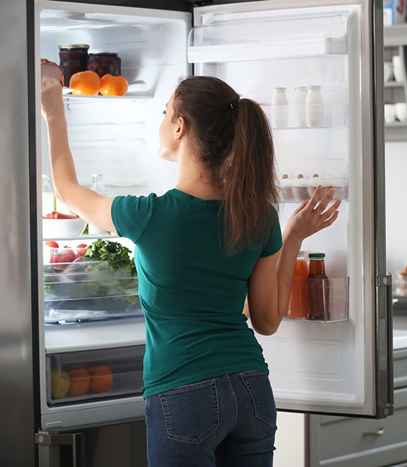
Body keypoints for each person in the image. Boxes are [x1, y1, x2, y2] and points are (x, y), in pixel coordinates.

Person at [40, 61, 340, 467]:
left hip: (184, 394)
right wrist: (293, 239)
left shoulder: (150, 215)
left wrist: (53, 109)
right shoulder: (259, 216)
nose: (161, 121)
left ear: (180, 126)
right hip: (251, 389)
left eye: (165, 112)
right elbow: (267, 320)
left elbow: (67, 188)